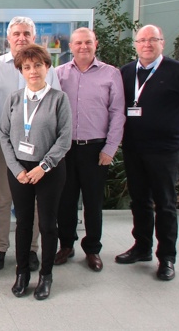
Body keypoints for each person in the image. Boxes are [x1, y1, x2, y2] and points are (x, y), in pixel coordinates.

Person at [0, 16, 61, 271]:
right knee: (1, 197)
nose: (21, 38)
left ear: (34, 37)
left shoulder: (48, 69)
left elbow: (57, 106)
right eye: (16, 33)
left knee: (35, 200)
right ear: (8, 38)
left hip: (38, 145)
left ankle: (31, 249)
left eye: (26, 33)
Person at [0, 44, 72, 301]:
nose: (33, 71)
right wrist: (17, 169)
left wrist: (44, 167)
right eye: (27, 67)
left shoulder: (59, 99)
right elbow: (4, 136)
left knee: (48, 224)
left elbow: (65, 139)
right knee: (23, 223)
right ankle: (22, 274)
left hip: (48, 169)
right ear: (21, 70)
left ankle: (46, 275)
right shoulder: (14, 99)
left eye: (38, 65)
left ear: (47, 67)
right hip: (20, 170)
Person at [54, 28, 125, 272]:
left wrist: (110, 148)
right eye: (78, 43)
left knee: (93, 202)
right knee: (65, 200)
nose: (83, 46)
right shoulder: (58, 74)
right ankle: (66, 245)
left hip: (96, 149)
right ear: (70, 46)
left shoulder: (111, 74)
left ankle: (92, 248)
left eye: (88, 42)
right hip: (65, 148)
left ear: (96, 44)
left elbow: (117, 113)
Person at [117, 25, 179, 281]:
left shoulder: (177, 71)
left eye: (152, 40)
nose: (146, 44)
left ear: (162, 43)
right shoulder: (125, 72)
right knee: (139, 200)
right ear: (135, 44)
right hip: (134, 148)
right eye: (141, 40)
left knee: (165, 204)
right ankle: (142, 247)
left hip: (165, 150)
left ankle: (166, 257)